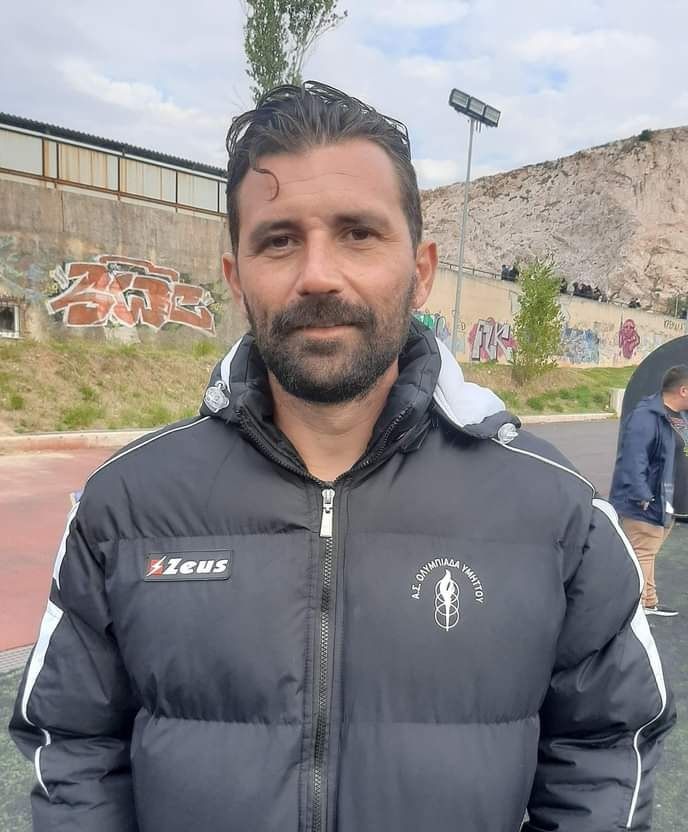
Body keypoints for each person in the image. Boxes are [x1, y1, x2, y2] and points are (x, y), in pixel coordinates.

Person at [10, 81, 674, 832]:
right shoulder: (124, 505)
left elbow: (606, 744)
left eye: (358, 233)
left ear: (422, 270)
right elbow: (73, 743)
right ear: (235, 278)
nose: (318, 274)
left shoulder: (555, 510)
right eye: (278, 240)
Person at [611, 365, 688, 616]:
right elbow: (634, 459)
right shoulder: (647, 416)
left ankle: (648, 600)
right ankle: (640, 606)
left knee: (647, 552)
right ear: (683, 390)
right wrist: (642, 495)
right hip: (646, 502)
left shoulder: (680, 417)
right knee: (643, 552)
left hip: (670, 502)